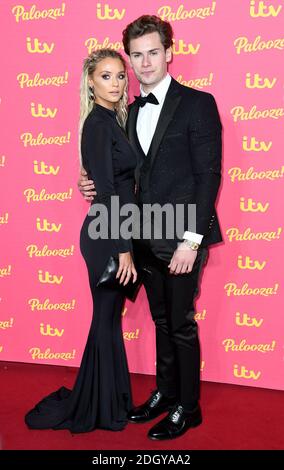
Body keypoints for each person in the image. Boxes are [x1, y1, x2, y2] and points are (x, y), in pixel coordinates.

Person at [78, 15, 222, 440]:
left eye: (152, 52)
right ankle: (165, 392)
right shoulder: (124, 110)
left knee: (180, 324)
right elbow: (116, 174)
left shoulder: (198, 104)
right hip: (141, 236)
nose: (144, 63)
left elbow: (208, 176)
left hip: (180, 237)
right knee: (161, 321)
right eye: (136, 56)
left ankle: (188, 408)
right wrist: (88, 182)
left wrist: (191, 241)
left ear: (169, 53)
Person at [25, 49, 138, 433]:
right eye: (106, 76)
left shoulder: (115, 119)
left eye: (120, 76)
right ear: (90, 81)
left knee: (108, 320)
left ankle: (108, 399)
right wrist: (123, 250)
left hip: (115, 228)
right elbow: (106, 193)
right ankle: (98, 406)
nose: (116, 83)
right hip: (107, 235)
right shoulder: (98, 124)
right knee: (106, 319)